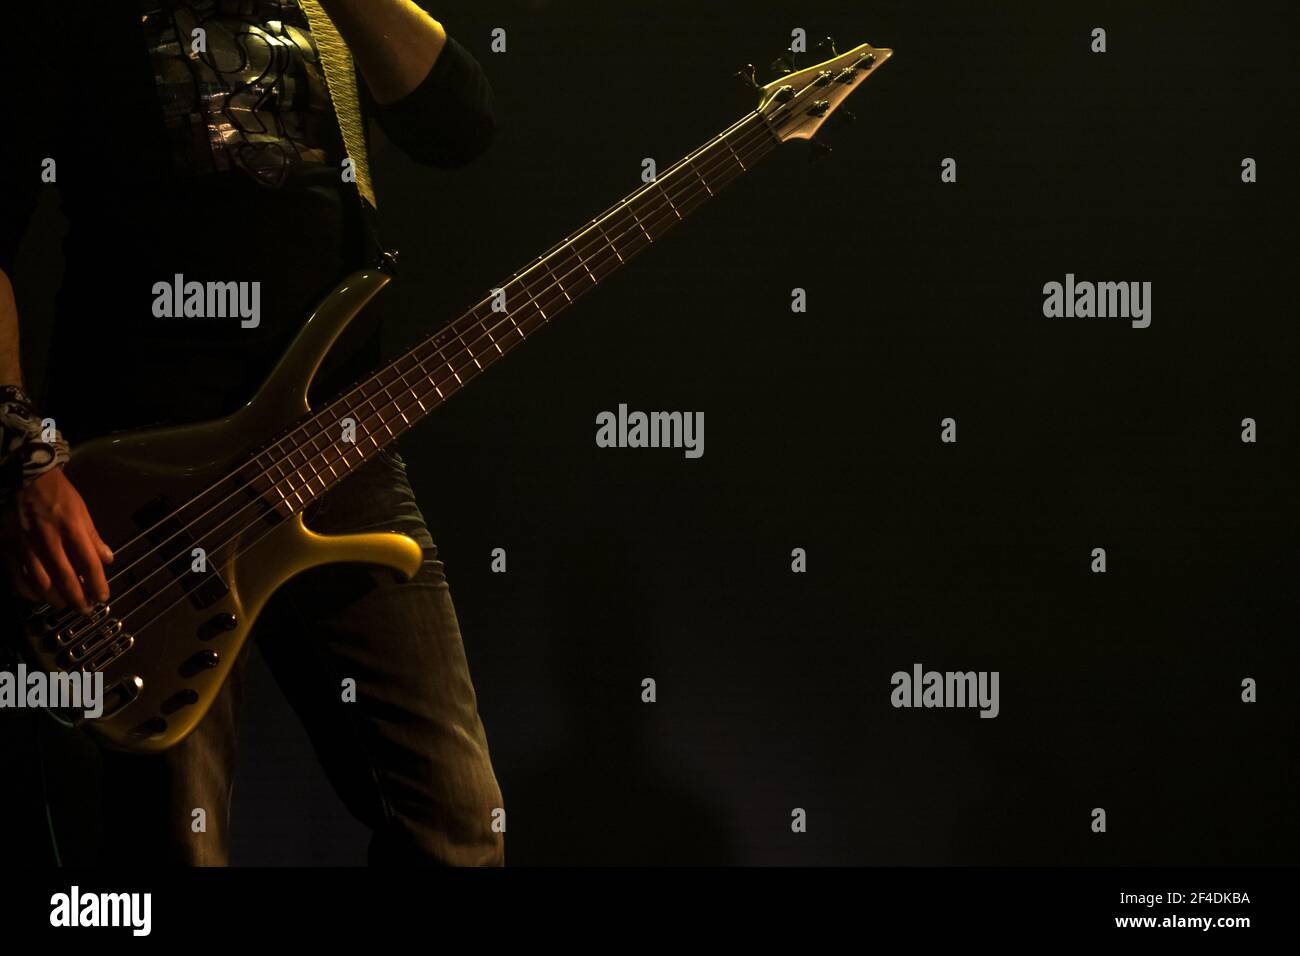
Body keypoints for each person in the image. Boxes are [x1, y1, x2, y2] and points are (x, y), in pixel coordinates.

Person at [0, 0, 504, 866]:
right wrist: (22, 460)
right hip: (142, 485)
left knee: (458, 824)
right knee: (167, 853)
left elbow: (460, 125)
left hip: (339, 451)